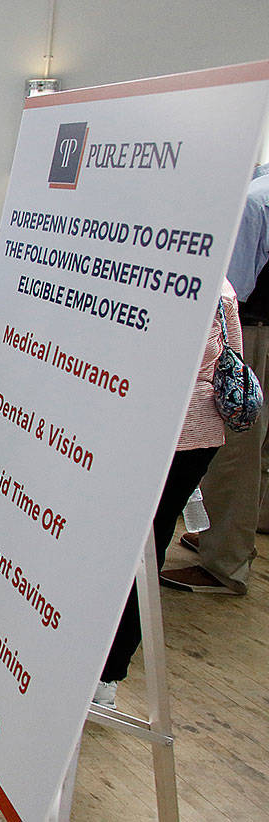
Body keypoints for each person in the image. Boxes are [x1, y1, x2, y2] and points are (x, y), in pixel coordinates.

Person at [96, 280, 241, 706]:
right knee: (148, 548)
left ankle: (103, 670)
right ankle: (109, 676)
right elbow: (231, 358)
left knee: (123, 549)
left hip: (148, 432)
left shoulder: (151, 279)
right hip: (198, 435)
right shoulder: (222, 288)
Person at [163, 170, 269, 595]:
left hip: (252, 332)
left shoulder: (255, 199)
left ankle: (224, 563)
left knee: (234, 450)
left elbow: (230, 289)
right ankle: (236, 539)